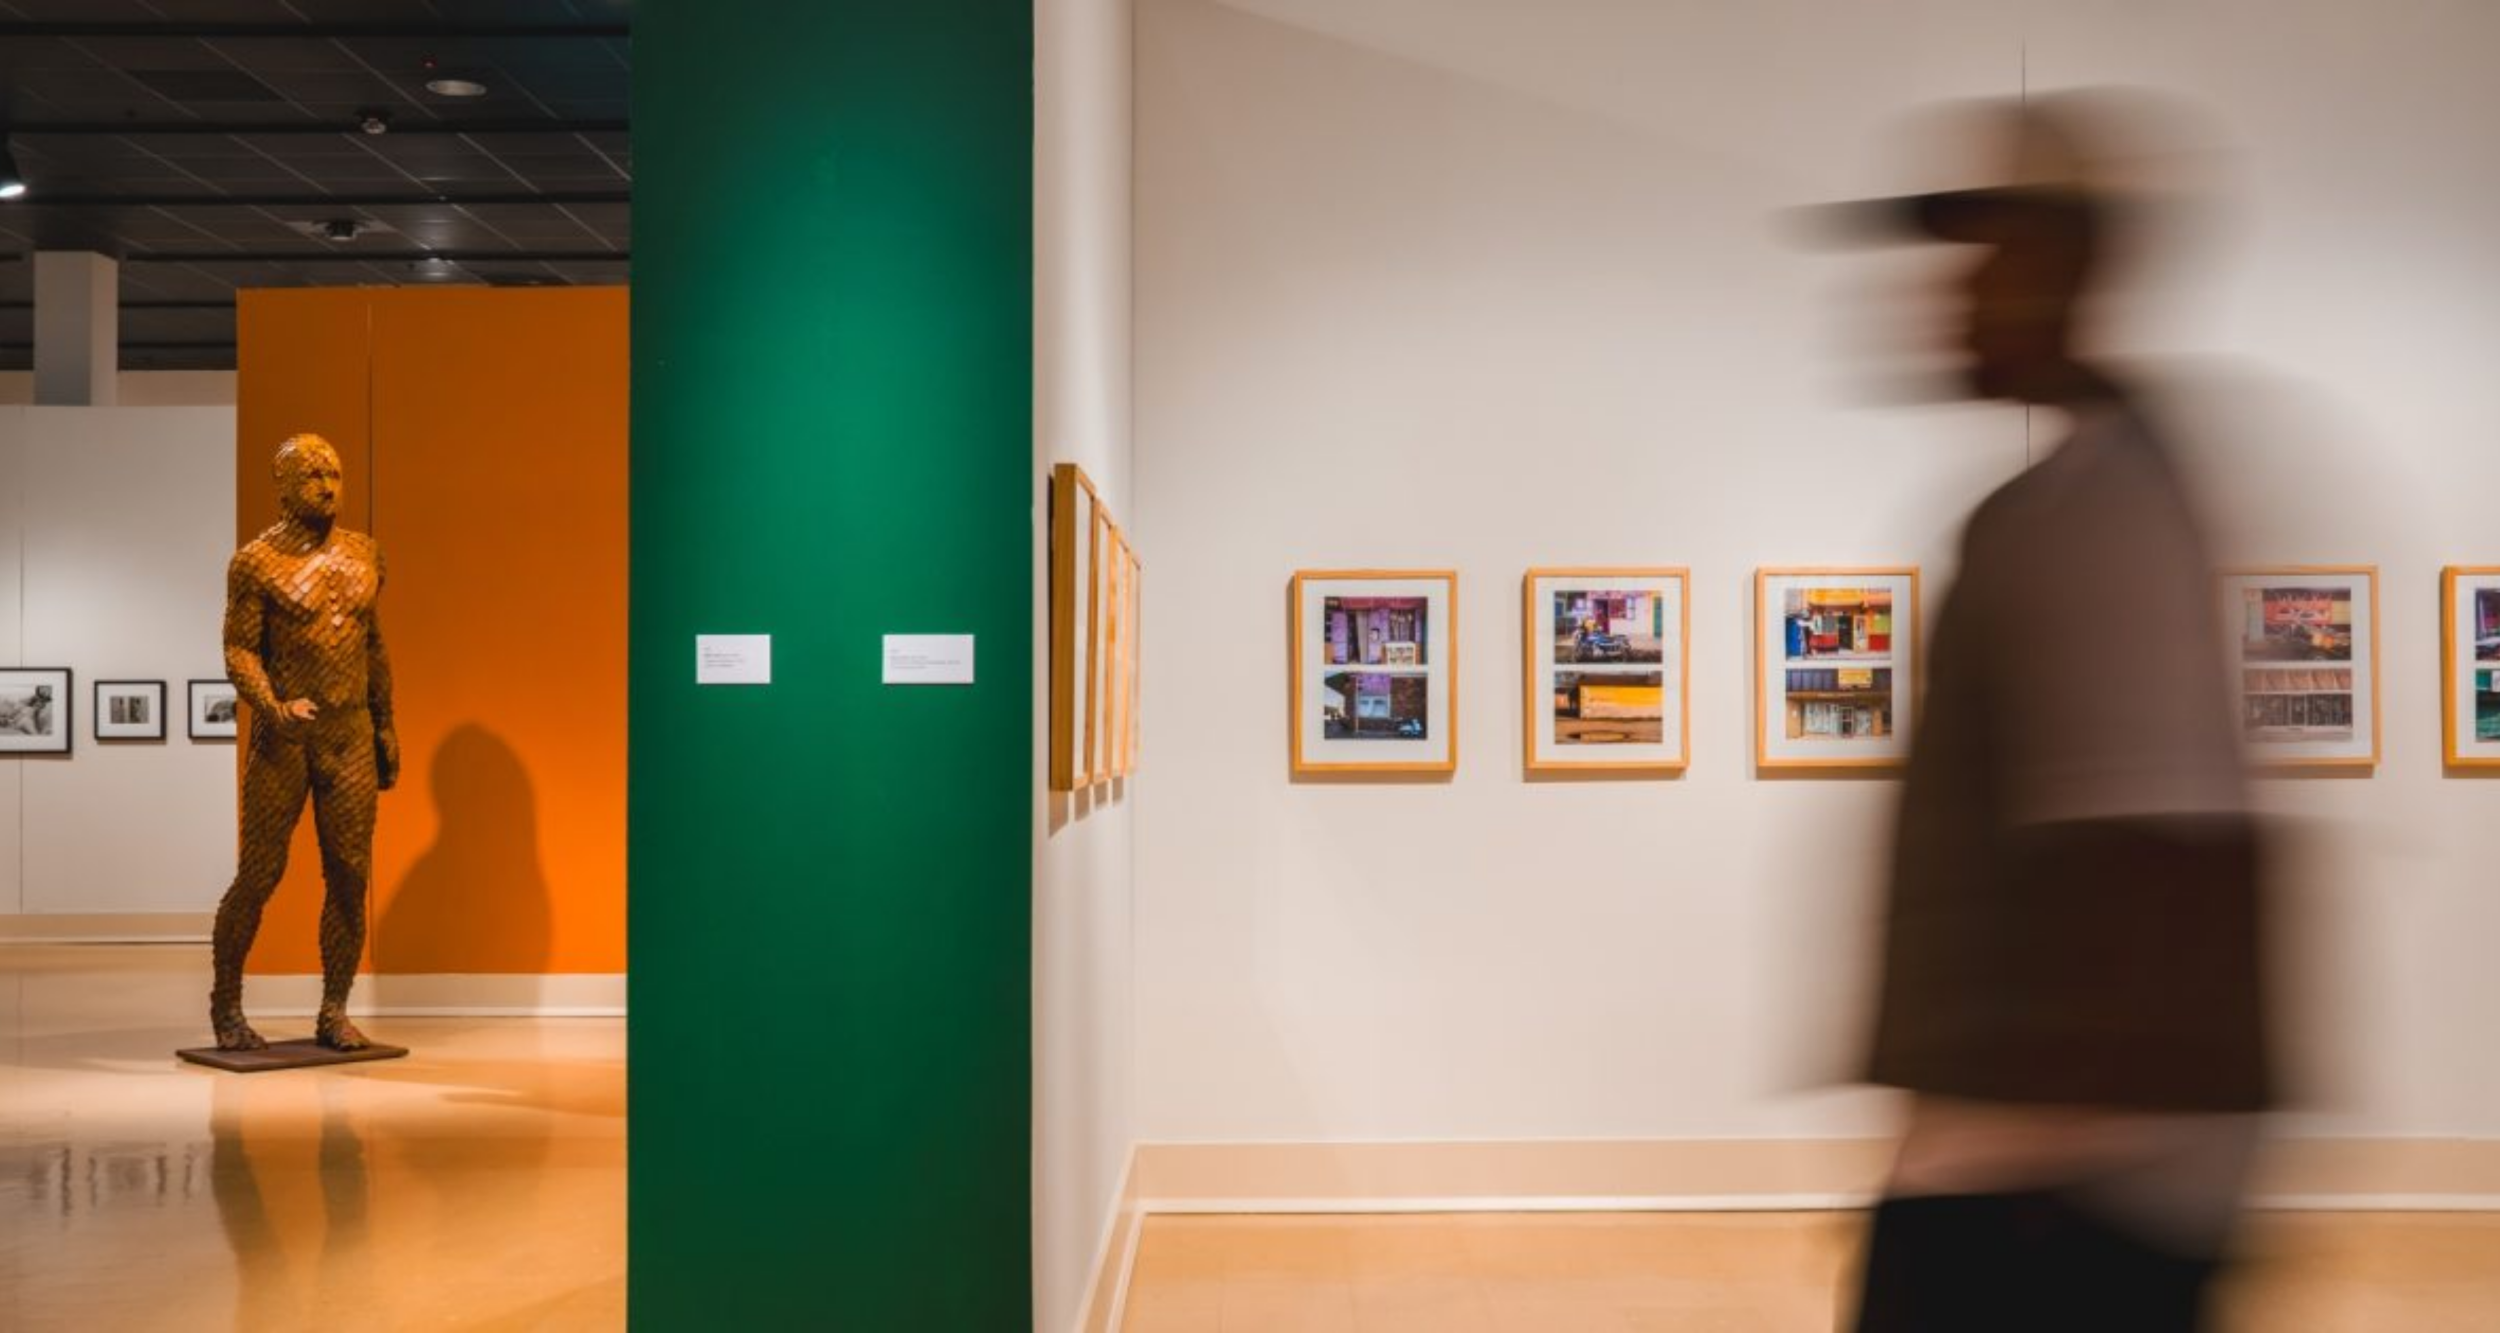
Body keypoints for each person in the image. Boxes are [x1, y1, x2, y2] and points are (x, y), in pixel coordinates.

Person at [1817, 93, 2273, 1333]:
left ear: (2078, 261)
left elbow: (2161, 861)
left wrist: (2009, 1177)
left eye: (1984, 254)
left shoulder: (2101, 513)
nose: (1949, 293)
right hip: (2033, 1167)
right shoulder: (2072, 498)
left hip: (2058, 1190)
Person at [208, 433, 400, 1052]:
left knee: (349, 874)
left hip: (349, 734)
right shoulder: (256, 563)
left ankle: (334, 1010)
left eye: (335, 475)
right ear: (284, 486)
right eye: (313, 476)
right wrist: (272, 705)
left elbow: (372, 645)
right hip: (283, 736)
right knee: (260, 874)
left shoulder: (365, 554)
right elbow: (238, 649)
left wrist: (386, 722)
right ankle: (227, 1004)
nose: (328, 487)